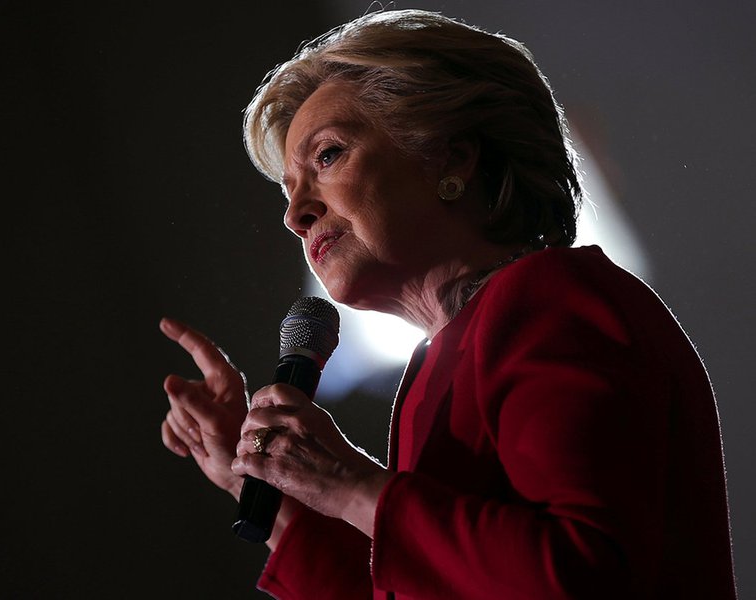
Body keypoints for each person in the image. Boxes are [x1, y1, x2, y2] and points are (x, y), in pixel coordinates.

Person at [158, 8, 737, 599]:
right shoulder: (438, 367)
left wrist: (352, 486)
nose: (295, 214)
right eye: (288, 189)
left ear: (452, 157)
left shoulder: (554, 299)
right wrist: (268, 477)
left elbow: (581, 574)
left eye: (328, 156)